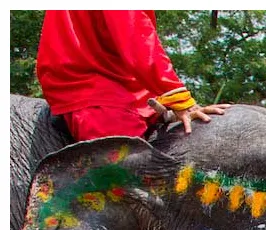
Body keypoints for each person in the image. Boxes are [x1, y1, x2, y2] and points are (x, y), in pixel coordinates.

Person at [36, 10, 229, 141]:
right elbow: (136, 37)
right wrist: (180, 99)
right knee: (126, 185)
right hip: (98, 93)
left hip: (113, 84)